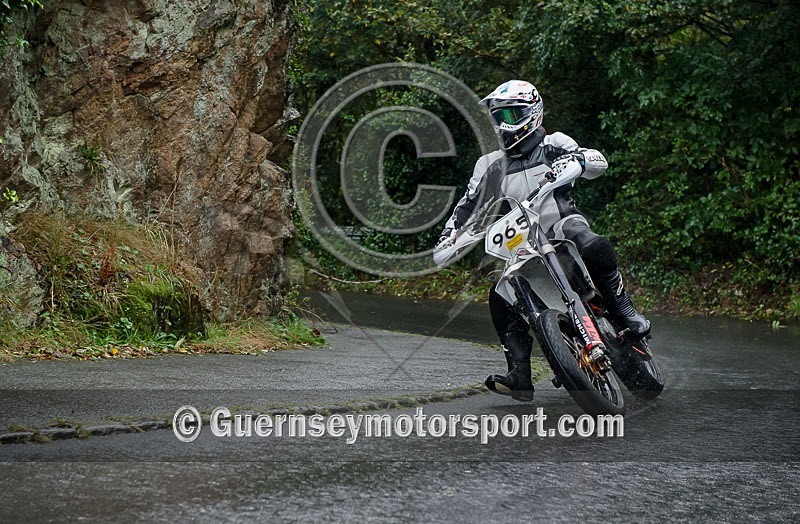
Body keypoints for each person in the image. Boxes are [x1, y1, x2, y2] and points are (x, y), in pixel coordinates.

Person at [434, 80, 650, 402]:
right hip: (521, 244)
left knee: (592, 243)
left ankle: (624, 310)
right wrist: (448, 236)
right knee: (500, 294)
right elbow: (468, 205)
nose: (502, 124)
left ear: (532, 112)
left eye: (510, 114)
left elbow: (596, 161)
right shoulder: (488, 165)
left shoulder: (554, 143)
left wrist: (578, 162)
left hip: (561, 224)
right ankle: (519, 374)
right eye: (497, 117)